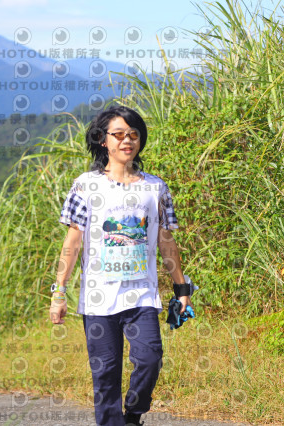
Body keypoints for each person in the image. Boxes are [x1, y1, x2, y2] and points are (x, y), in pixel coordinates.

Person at [49, 106, 193, 426]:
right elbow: (72, 242)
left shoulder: (155, 187)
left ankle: (134, 414)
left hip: (141, 295)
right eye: (118, 134)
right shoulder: (86, 185)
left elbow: (166, 241)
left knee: (150, 358)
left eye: (134, 134)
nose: (127, 140)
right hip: (98, 298)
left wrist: (182, 288)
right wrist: (59, 293)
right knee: (105, 374)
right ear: (103, 140)